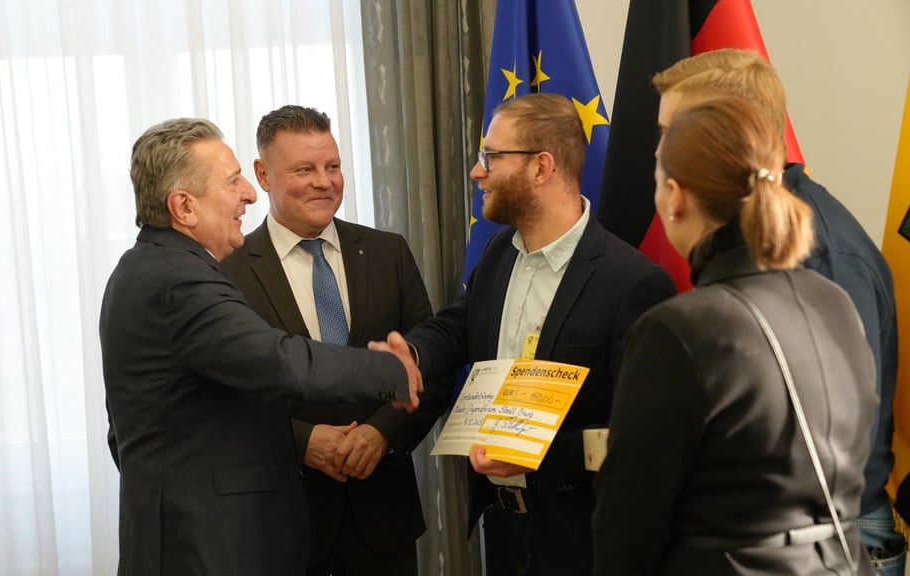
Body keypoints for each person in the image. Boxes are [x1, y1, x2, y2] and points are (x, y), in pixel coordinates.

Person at [100, 117, 423, 576]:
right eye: (232, 182)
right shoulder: (179, 278)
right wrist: (387, 371)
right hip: (203, 544)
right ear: (184, 207)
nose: (249, 195)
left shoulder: (149, 267)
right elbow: (276, 359)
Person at [384, 93, 677, 576]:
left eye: (491, 157)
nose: (477, 172)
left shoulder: (633, 284)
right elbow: (461, 323)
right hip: (502, 532)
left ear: (542, 168)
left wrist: (533, 453)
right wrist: (414, 352)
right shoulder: (501, 251)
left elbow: (645, 434)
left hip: (586, 541)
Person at [593, 95, 877, 575]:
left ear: (677, 197)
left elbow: (626, 531)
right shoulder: (836, 303)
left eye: (658, 181)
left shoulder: (676, 330)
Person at [650, 48, 905, 575]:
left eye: (671, 131)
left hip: (829, 543)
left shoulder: (824, 256)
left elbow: (828, 445)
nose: (661, 152)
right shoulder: (752, 243)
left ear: (730, 129)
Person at [221, 105, 446, 576]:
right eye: (304, 169)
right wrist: (301, 441)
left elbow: (431, 370)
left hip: (384, 525)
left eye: (333, 167)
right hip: (285, 525)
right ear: (263, 174)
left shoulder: (388, 253)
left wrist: (381, 433)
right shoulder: (228, 273)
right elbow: (225, 399)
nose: (324, 182)